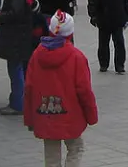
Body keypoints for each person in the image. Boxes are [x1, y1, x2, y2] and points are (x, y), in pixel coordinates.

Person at [25, 11, 98, 167]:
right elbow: (84, 90)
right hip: (70, 115)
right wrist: (91, 115)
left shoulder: (37, 55)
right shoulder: (77, 57)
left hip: (45, 114)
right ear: (70, 33)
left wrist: (30, 118)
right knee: (76, 147)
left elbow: (29, 88)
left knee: (51, 156)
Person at [0, 0, 34, 116]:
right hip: (23, 35)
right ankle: (23, 100)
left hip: (16, 37)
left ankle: (18, 103)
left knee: (15, 69)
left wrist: (0, 16)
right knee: (21, 69)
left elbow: (16, 14)